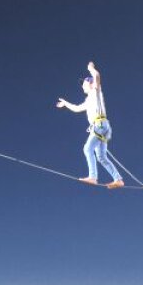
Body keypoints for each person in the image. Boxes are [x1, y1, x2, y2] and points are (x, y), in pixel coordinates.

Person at [56, 61, 124, 189]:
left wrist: (91, 68)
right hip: (103, 127)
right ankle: (118, 180)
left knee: (87, 149)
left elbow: (97, 76)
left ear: (91, 83)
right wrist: (65, 103)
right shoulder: (88, 101)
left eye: (85, 83)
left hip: (100, 125)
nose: (82, 86)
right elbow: (76, 108)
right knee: (101, 157)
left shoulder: (95, 91)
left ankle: (92, 177)